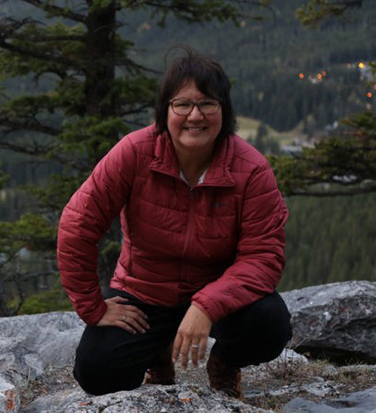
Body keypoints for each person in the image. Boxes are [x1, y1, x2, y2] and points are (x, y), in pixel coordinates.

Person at [56, 49, 292, 398]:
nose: (194, 115)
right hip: (145, 292)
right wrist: (92, 307)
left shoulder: (251, 169)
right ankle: (157, 354)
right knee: (96, 371)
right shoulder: (135, 152)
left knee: (269, 325)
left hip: (220, 294)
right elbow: (77, 226)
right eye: (182, 104)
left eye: (208, 104)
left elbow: (263, 257)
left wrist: (206, 305)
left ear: (223, 112)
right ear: (165, 111)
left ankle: (225, 363)